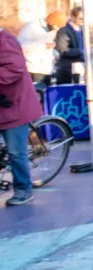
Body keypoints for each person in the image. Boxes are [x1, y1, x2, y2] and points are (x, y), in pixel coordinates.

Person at [0, 25, 45, 206]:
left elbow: (15, 68)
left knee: (16, 151)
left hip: (14, 104)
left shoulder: (5, 41)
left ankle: (23, 189)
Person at [18, 10, 55, 84]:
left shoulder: (50, 29)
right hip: (34, 68)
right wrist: (44, 46)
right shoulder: (32, 27)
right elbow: (22, 46)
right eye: (57, 26)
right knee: (36, 93)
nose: (57, 29)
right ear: (51, 22)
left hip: (47, 69)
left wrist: (55, 53)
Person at [53, 7, 85, 85]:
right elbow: (63, 50)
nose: (82, 21)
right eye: (80, 18)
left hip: (79, 67)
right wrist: (81, 51)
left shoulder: (82, 31)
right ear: (73, 17)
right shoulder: (64, 31)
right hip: (66, 68)